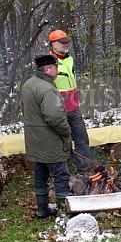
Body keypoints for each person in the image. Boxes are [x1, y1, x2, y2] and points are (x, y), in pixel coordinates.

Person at [21, 54, 72, 218]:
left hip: (35, 139)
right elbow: (54, 117)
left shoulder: (28, 85)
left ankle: (43, 209)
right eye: (56, 68)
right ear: (48, 69)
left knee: (41, 173)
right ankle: (64, 211)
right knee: (61, 175)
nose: (57, 71)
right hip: (50, 140)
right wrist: (66, 131)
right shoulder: (48, 88)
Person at [49, 29, 92, 173]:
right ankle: (60, 174)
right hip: (58, 110)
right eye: (62, 43)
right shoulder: (49, 63)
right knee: (59, 143)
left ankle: (85, 171)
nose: (66, 45)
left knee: (82, 139)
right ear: (53, 44)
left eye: (66, 42)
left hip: (74, 108)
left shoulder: (69, 59)